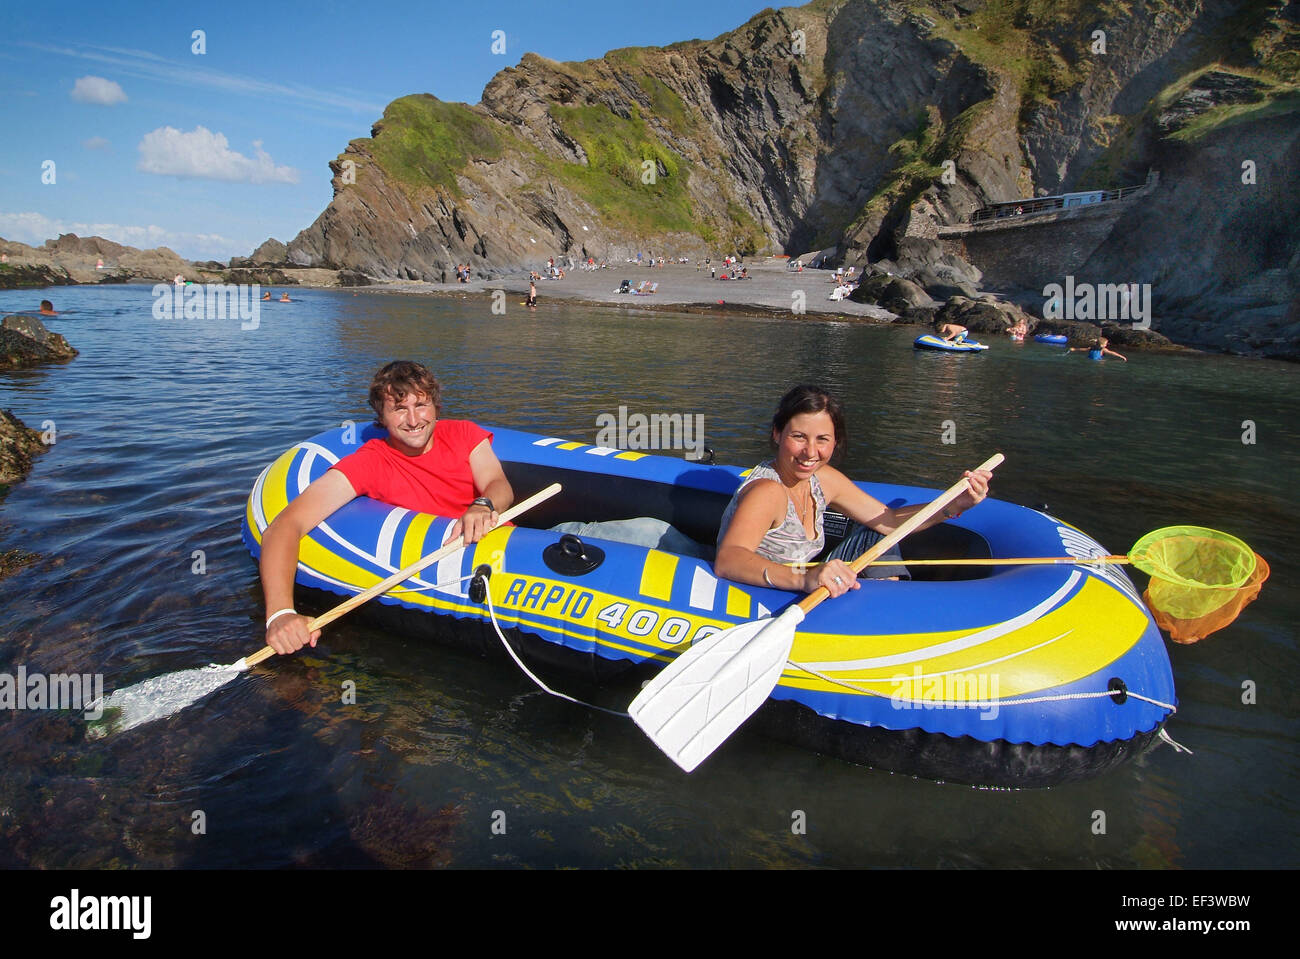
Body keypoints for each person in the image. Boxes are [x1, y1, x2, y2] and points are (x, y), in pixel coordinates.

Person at [260, 361, 514, 656]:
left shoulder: (464, 434)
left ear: (436, 406)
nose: (413, 419)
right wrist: (280, 614)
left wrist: (483, 505)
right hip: (453, 574)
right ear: (382, 416)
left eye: (421, 405)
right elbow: (286, 525)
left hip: (505, 544)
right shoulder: (371, 462)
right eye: (399, 409)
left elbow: (499, 485)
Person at [714, 385, 992, 596]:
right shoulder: (767, 491)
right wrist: (805, 579)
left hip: (809, 577)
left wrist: (955, 504)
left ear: (835, 441)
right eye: (799, 437)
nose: (811, 452)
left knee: (877, 535)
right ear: (777, 434)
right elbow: (729, 560)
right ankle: (882, 608)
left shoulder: (823, 479)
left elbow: (890, 521)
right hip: (767, 591)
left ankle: (887, 601)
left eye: (822, 439)